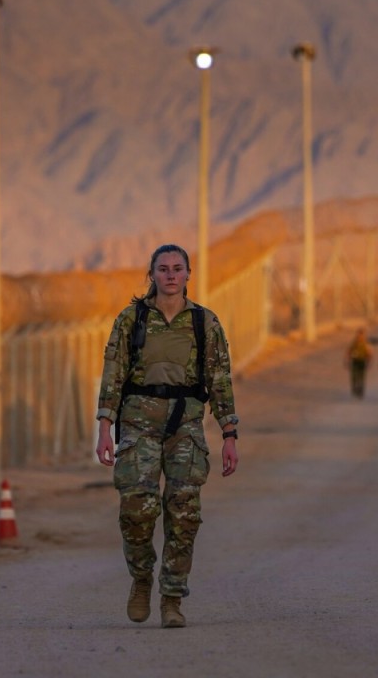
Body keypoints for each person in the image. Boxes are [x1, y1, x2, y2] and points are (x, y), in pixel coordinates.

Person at [94, 244, 239, 629]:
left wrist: (229, 434)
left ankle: (172, 597)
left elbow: (220, 379)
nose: (171, 275)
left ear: (189, 274)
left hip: (185, 426)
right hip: (138, 422)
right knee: (136, 509)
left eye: (178, 268)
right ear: (152, 274)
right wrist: (105, 427)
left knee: (184, 512)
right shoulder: (131, 319)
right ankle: (142, 578)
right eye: (163, 268)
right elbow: (113, 373)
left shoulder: (204, 323)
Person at [344, 327, 371, 398]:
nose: (360, 337)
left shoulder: (365, 344)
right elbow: (349, 352)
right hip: (355, 361)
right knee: (354, 376)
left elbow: (369, 353)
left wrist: (368, 361)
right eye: (359, 335)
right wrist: (347, 360)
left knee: (361, 376)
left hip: (362, 361)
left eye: (361, 335)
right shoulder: (354, 343)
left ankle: (360, 390)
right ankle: (355, 388)